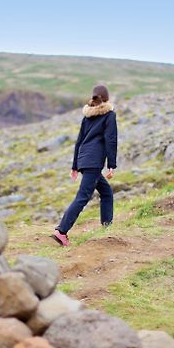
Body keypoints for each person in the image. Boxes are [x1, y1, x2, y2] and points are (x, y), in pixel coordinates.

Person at [52, 85, 118, 246]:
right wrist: (112, 164)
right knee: (83, 196)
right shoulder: (109, 115)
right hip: (94, 162)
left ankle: (107, 227)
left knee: (106, 192)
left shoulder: (87, 116)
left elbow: (79, 142)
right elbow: (111, 140)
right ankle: (61, 231)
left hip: (84, 160)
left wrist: (75, 166)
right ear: (107, 98)